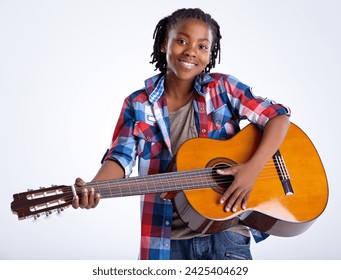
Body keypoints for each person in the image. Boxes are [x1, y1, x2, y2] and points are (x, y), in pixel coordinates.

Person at [72, 8, 290, 260]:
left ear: (210, 55)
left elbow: (278, 117)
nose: (191, 51)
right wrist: (93, 189)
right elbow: (120, 158)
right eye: (182, 41)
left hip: (227, 234)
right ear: (165, 43)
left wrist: (253, 168)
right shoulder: (137, 104)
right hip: (166, 243)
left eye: (202, 46)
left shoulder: (223, 88)